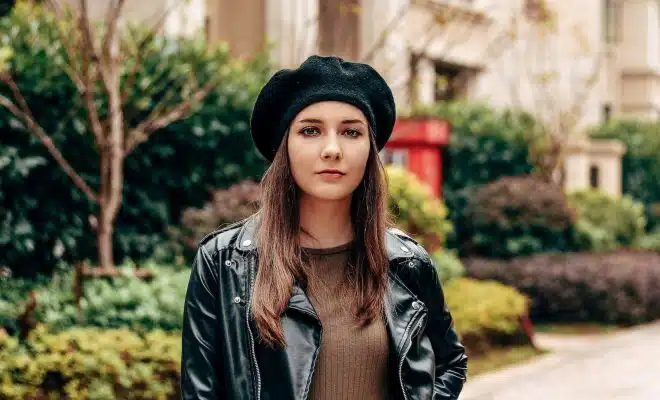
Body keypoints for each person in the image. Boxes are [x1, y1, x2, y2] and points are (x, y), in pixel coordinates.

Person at [181, 55, 468, 400]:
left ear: (369, 149)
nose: (332, 149)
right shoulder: (224, 262)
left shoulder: (407, 263)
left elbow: (450, 362)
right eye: (310, 130)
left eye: (350, 132)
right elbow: (200, 392)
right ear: (284, 147)